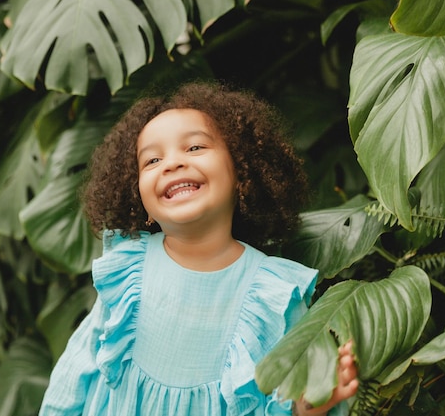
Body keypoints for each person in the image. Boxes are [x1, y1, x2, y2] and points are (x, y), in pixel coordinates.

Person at [38, 81, 359, 416]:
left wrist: (308, 406)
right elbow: (74, 375)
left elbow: (279, 401)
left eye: (194, 148)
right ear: (142, 203)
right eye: (152, 160)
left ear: (243, 174)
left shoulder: (272, 293)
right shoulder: (128, 274)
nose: (172, 163)